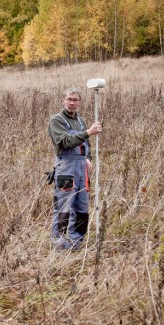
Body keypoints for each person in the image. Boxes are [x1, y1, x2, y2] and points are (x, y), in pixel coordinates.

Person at [48, 88, 102, 250]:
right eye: (69, 99)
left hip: (81, 168)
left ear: (79, 102)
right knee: (64, 206)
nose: (71, 103)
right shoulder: (56, 120)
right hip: (66, 167)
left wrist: (88, 158)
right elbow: (64, 141)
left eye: (75, 100)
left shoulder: (81, 121)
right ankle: (59, 243)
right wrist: (88, 132)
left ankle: (76, 242)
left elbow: (87, 144)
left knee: (82, 206)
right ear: (63, 100)